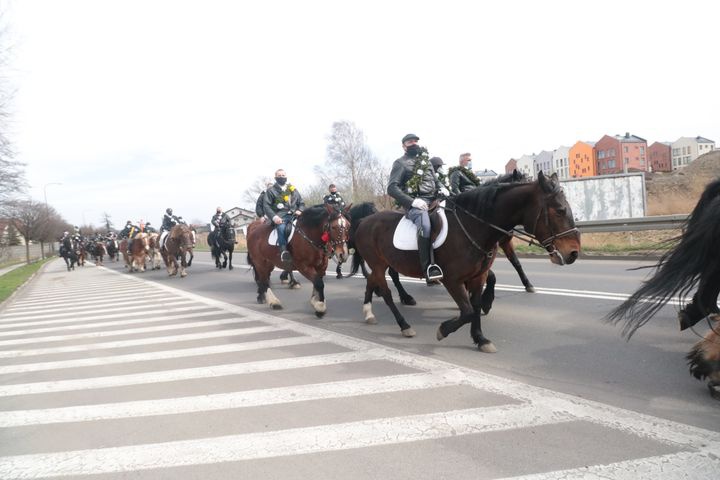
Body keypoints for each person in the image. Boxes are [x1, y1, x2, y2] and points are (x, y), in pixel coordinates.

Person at [387, 133, 448, 286]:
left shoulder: (426, 162)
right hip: (416, 204)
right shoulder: (400, 163)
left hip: (434, 200)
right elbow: (392, 188)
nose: (413, 143)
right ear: (403, 146)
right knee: (425, 226)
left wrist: (443, 188)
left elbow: (435, 181)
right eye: (409, 142)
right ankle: (428, 268)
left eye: (415, 141)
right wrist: (412, 201)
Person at [263, 169, 305, 263]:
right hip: (281, 216)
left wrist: (300, 210)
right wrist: (275, 217)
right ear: (275, 177)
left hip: (296, 215)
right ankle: (283, 251)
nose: (281, 177)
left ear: (286, 177)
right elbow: (266, 206)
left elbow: (301, 202)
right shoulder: (271, 191)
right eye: (279, 176)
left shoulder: (292, 189)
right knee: (281, 228)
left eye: (283, 175)